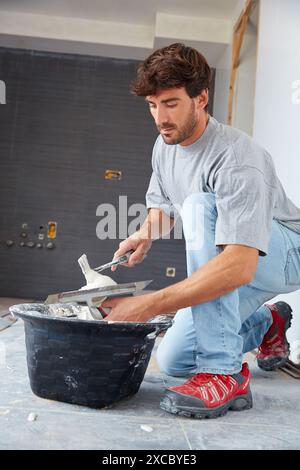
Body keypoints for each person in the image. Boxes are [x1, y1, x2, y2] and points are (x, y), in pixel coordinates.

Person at [102, 43, 300, 419]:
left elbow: (239, 266)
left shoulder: (237, 158)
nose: (160, 117)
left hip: (284, 254)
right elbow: (163, 207)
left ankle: (223, 375)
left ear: (201, 97)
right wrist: (144, 234)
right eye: (152, 105)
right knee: (176, 358)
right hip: (240, 255)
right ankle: (269, 322)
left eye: (171, 103)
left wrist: (148, 305)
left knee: (199, 204)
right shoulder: (166, 145)